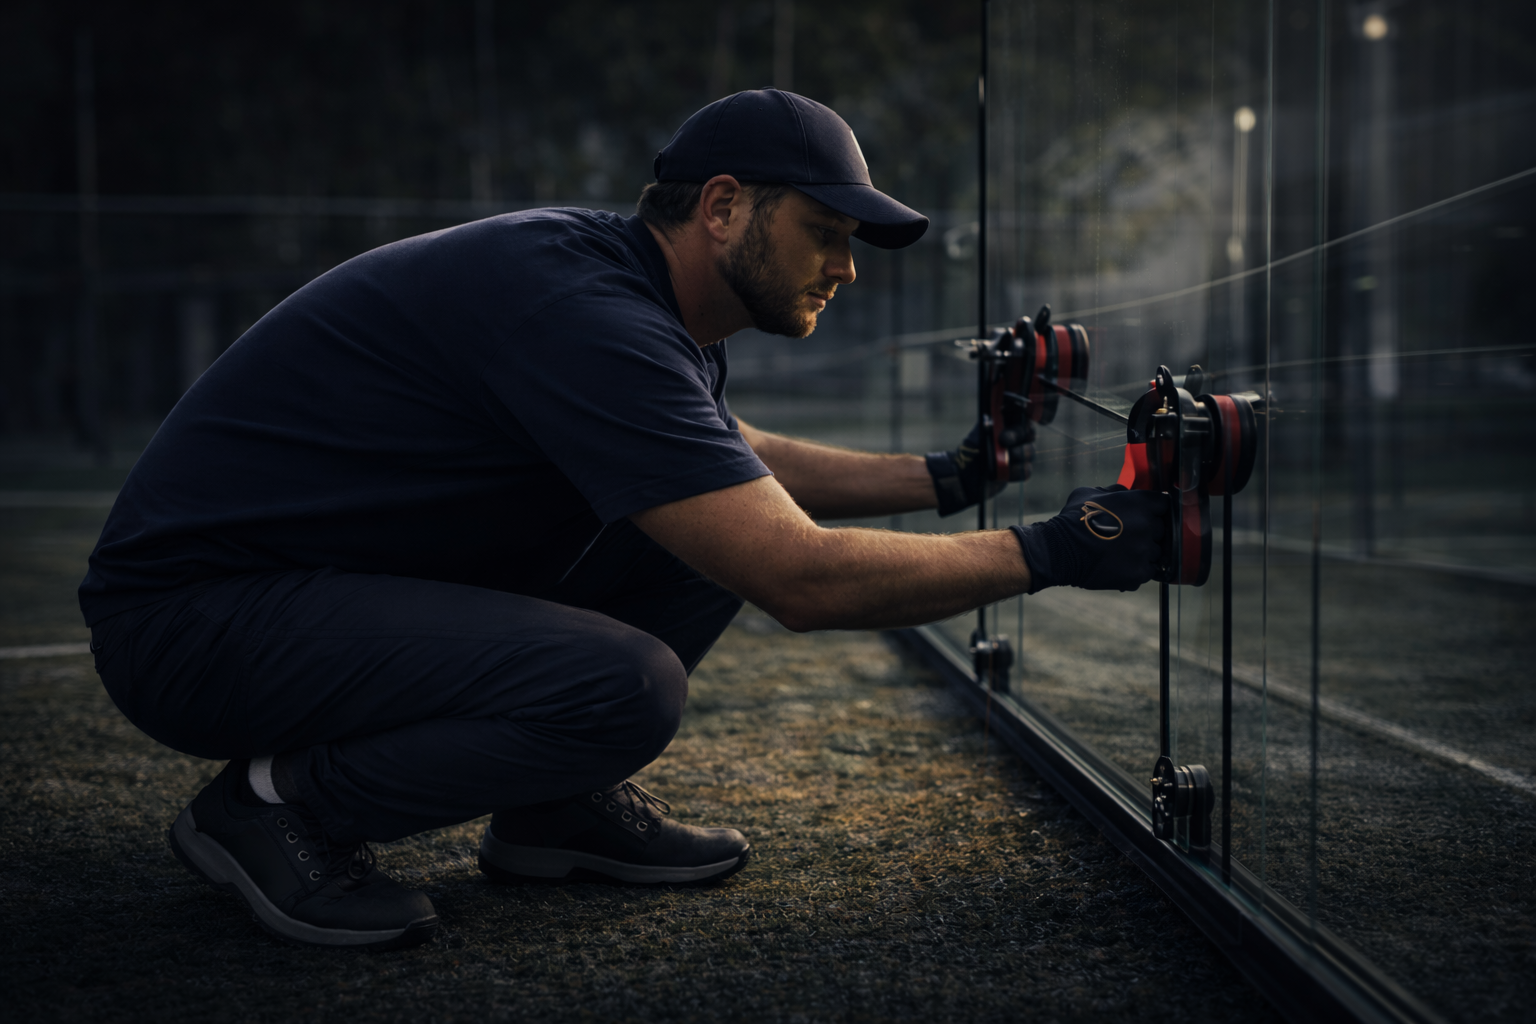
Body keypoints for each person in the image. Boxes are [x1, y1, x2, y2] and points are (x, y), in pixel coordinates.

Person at [80, 89, 1165, 951]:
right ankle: (273, 806)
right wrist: (1060, 547)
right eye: (824, 232)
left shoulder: (634, 296)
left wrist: (948, 476)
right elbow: (803, 576)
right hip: (196, 622)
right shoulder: (586, 312)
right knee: (622, 684)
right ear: (725, 206)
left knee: (701, 538)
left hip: (300, 590)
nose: (842, 268)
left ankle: (549, 810)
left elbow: (726, 463)